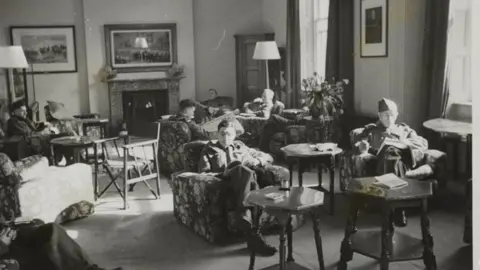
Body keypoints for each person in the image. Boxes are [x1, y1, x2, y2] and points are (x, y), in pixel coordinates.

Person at [198, 119, 279, 256]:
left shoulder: (241, 146)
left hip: (247, 184)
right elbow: (203, 173)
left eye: (229, 134)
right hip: (225, 182)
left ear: (234, 135)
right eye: (222, 134)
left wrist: (257, 160)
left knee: (249, 173)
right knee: (241, 169)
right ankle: (245, 215)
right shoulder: (209, 150)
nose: (225, 137)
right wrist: (224, 173)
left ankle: (249, 226)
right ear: (217, 134)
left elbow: (269, 157)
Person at [354, 98, 428, 226]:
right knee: (388, 154)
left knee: (392, 153)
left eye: (392, 115)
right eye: (386, 115)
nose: (389, 118)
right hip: (379, 163)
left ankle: (388, 208)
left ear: (397, 115)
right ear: (379, 116)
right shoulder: (371, 130)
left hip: (401, 163)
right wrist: (361, 146)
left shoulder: (404, 130)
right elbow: (358, 144)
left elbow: (422, 143)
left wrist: (405, 143)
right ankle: (398, 209)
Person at [0, 219, 122, 270]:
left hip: (11, 239)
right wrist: (2, 244)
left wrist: (9, 227)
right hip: (5, 250)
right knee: (49, 243)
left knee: (50, 229)